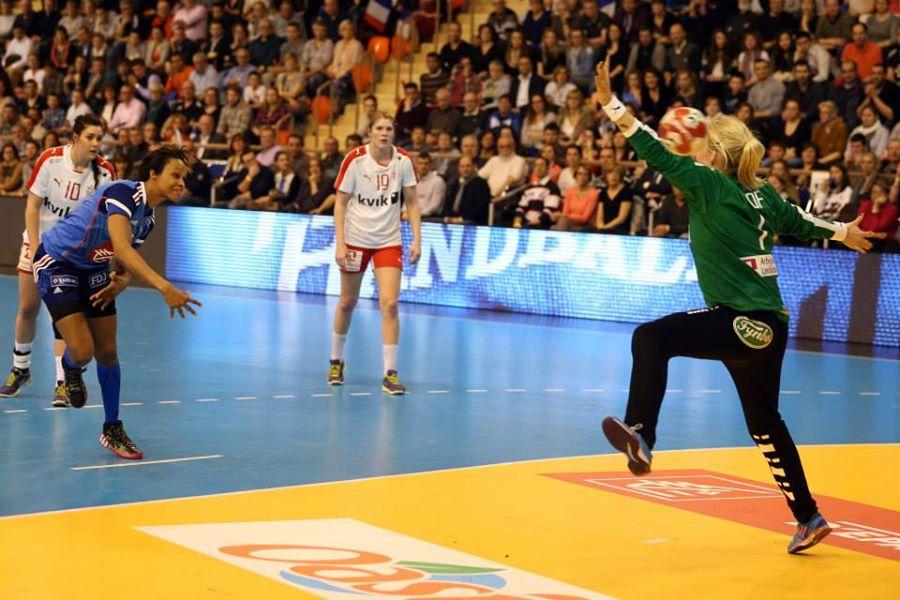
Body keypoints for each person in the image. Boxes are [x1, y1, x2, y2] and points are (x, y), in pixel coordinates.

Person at [593, 60, 878, 555]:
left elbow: (653, 150)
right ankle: (808, 517)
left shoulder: (711, 184)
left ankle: (640, 432)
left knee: (651, 338)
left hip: (738, 319)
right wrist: (843, 231)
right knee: (766, 424)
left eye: (702, 146)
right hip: (771, 328)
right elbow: (802, 221)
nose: (694, 151)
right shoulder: (763, 194)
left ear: (715, 155)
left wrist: (611, 104)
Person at [31, 145, 201, 459]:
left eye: (184, 178)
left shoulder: (148, 218)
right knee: (83, 351)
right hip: (57, 263)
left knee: (108, 351)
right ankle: (70, 368)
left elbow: (120, 262)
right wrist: (164, 287)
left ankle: (112, 429)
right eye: (175, 175)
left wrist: (120, 282)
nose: (182, 183)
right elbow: (122, 247)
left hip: (94, 269)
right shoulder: (123, 192)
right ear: (153, 174)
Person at [0, 116, 115, 406]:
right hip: (39, 240)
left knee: (62, 314)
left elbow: (106, 219)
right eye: (90, 137)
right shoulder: (50, 160)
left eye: (99, 138)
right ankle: (20, 369)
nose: (95, 143)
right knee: (28, 307)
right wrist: (37, 247)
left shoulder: (104, 172)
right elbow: (32, 205)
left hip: (71, 252)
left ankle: (63, 382)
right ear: (75, 137)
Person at [330, 113, 421, 394]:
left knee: (390, 304)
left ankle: (390, 374)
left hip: (388, 241)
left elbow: (413, 203)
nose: (384, 133)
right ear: (370, 132)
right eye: (379, 128)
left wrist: (417, 240)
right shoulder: (354, 160)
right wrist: (341, 243)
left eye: (389, 129)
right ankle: (336, 361)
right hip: (356, 239)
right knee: (347, 301)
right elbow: (341, 204)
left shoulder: (404, 161)